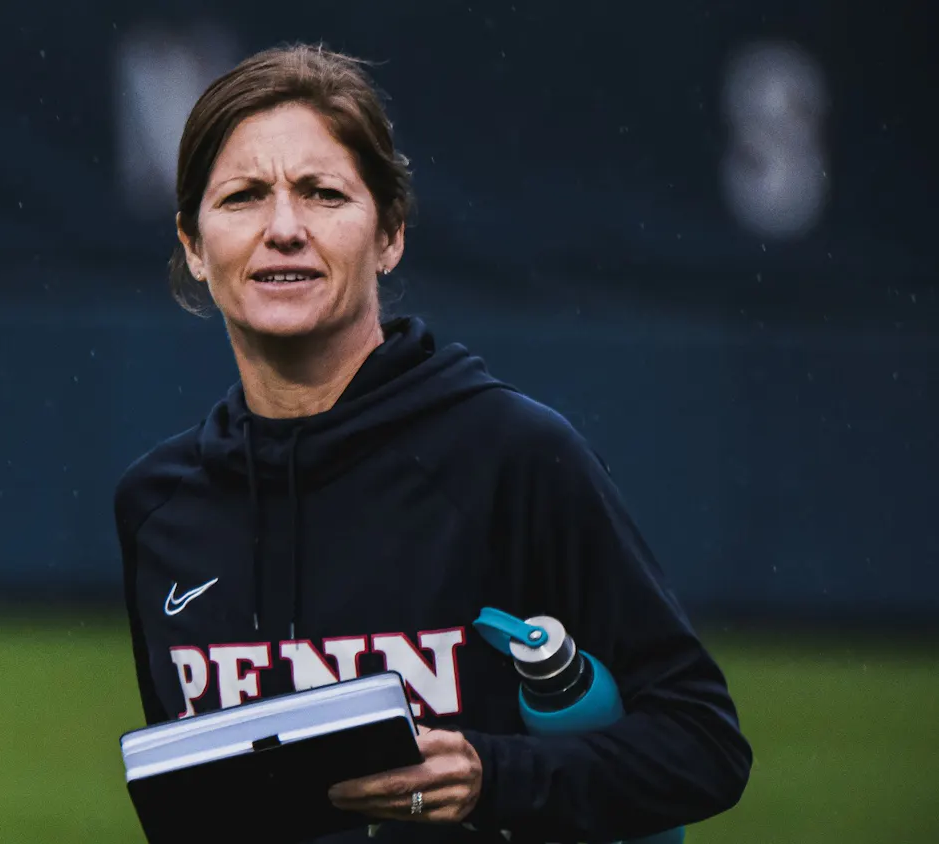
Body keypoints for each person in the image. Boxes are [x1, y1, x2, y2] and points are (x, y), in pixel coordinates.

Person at [113, 43, 752, 844]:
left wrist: (494, 778)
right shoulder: (161, 504)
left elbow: (703, 745)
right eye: (243, 197)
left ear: (389, 235)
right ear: (195, 247)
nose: (283, 229)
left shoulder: (513, 457)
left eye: (323, 193)